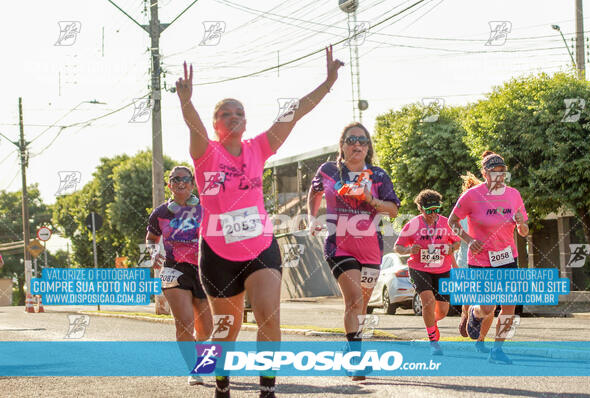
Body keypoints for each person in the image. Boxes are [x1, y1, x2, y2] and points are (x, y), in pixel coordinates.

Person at [176, 45, 343, 398]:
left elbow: (293, 113)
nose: (234, 116)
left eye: (240, 112)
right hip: (218, 254)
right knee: (227, 327)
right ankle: (222, 384)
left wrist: (328, 81)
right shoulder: (206, 153)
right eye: (225, 113)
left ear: (246, 121)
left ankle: (267, 390)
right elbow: (192, 125)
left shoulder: (258, 148)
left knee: (269, 316)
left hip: (260, 248)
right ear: (216, 123)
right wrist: (186, 101)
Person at [308, 122, 399, 380]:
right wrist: (311, 216)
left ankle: (350, 350)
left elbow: (392, 210)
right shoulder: (328, 171)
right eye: (351, 140)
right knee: (354, 300)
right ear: (342, 145)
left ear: (368, 146)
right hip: (339, 246)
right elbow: (313, 193)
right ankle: (357, 360)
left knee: (363, 306)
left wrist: (370, 199)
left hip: (371, 249)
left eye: (362, 140)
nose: (357, 144)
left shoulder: (378, 176)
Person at [449, 151, 529, 364]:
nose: (500, 176)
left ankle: (497, 349)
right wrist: (468, 239)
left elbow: (524, 232)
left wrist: (521, 223)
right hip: (481, 259)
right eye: (495, 172)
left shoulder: (513, 195)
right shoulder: (472, 196)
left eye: (503, 172)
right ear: (485, 173)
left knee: (509, 304)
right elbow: (452, 222)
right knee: (487, 306)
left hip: (507, 257)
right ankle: (475, 314)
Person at [146, 166, 213, 386]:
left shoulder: (206, 208)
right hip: (173, 270)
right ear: (170, 185)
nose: (181, 182)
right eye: (175, 179)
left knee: (207, 328)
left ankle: (196, 349)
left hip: (204, 270)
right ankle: (193, 369)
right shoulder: (160, 213)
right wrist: (154, 252)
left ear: (193, 184)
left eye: (185, 179)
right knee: (183, 322)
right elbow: (151, 237)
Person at [394, 190, 460, 355]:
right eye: (429, 210)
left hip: (442, 268)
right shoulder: (413, 225)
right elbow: (398, 247)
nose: (433, 214)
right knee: (428, 301)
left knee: (443, 310)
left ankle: (431, 322)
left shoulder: (445, 223)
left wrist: (451, 248)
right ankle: (433, 342)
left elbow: (457, 242)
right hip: (419, 268)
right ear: (421, 209)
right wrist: (409, 249)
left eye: (436, 209)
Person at [455, 172, 495, 352]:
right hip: (468, 261)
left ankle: (480, 339)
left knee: (490, 303)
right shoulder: (462, 213)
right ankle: (466, 315)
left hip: (492, 261)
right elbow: (456, 235)